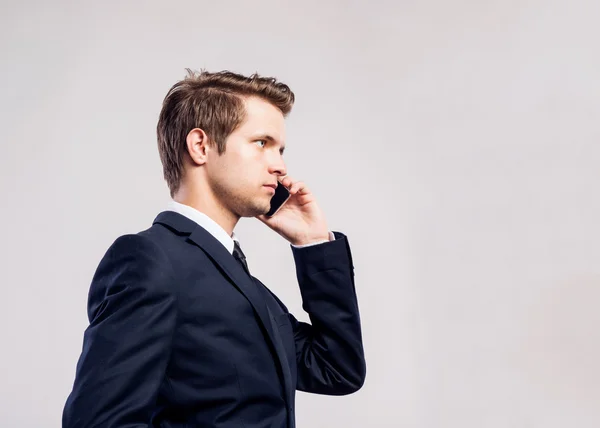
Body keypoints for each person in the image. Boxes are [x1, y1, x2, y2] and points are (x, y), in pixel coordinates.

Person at [62, 69, 366, 428]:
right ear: (201, 146)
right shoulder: (150, 261)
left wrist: (313, 243)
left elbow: (336, 368)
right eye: (262, 143)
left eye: (280, 149)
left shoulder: (241, 281)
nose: (280, 165)